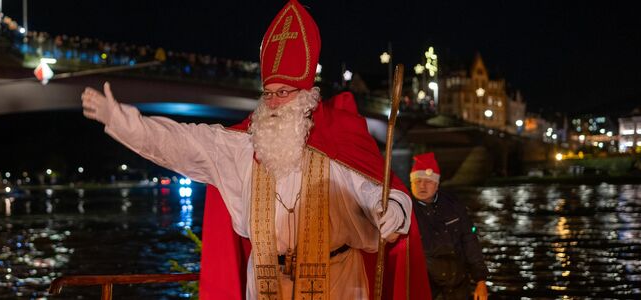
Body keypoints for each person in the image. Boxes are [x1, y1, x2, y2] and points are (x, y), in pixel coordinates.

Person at [82, 1, 430, 299]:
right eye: (269, 93)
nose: (275, 103)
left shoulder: (337, 145)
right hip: (264, 285)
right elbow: (180, 143)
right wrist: (126, 123)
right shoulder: (243, 147)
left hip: (337, 281)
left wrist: (392, 212)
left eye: (284, 93)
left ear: (306, 98)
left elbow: (378, 193)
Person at [409, 153, 489, 300]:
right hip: (423, 288)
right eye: (417, 180)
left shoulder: (454, 205)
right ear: (411, 182)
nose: (422, 185)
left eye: (428, 181)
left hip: (457, 286)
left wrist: (480, 279)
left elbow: (469, 240)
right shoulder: (403, 209)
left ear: (437, 184)